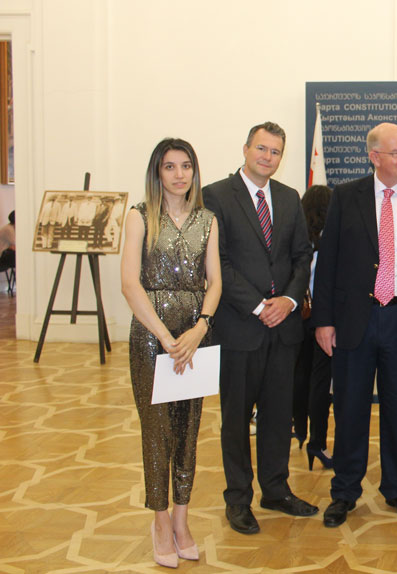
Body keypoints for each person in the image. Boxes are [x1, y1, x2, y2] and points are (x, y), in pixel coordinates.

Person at [313, 123, 397, 528]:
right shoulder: (345, 197)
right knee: (350, 408)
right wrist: (323, 321)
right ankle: (344, 492)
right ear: (374, 157)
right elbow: (328, 262)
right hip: (354, 321)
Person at [203, 122, 317, 535]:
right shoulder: (215, 196)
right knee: (236, 419)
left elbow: (302, 256)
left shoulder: (288, 197)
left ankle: (276, 490)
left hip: (283, 328)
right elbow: (218, 262)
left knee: (278, 415)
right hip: (239, 327)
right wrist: (256, 305)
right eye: (261, 149)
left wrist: (287, 301)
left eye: (275, 152)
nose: (268, 157)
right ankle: (238, 499)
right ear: (246, 149)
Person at [121, 138, 221, 567]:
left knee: (188, 430)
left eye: (186, 166)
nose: (179, 174)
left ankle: (182, 519)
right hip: (152, 337)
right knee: (156, 430)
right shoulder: (140, 217)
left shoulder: (207, 219)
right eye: (169, 167)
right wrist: (164, 336)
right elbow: (130, 284)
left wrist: (200, 327)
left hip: (195, 338)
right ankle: (160, 521)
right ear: (157, 173)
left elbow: (214, 281)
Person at [291, 184, 335, 471]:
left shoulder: (299, 240)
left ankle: (300, 429)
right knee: (321, 381)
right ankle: (317, 442)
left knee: (300, 376)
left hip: (298, 317)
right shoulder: (330, 242)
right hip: (323, 318)